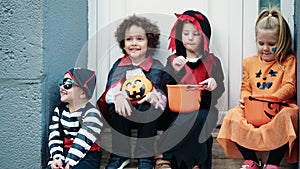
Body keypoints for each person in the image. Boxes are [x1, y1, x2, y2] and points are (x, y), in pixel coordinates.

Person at [217, 7, 298, 169]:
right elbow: (246, 86)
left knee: (289, 116)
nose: (265, 48)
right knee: (232, 116)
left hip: (279, 107)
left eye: (272, 44)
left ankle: (273, 163)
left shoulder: (288, 61)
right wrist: (245, 99)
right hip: (254, 108)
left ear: (282, 42)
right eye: (261, 43)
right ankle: (251, 160)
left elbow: (290, 86)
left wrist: (273, 99)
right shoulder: (249, 62)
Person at [155, 10, 225, 169]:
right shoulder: (173, 60)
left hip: (203, 109)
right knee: (179, 120)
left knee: (200, 119)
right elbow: (163, 87)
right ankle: (174, 160)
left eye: (196, 34)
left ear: (205, 37)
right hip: (177, 109)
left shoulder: (212, 61)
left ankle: (187, 161)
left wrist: (214, 84)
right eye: (186, 34)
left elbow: (220, 89)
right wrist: (174, 71)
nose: (190, 38)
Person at [97, 15, 167, 169]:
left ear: (149, 42)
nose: (134, 43)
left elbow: (162, 94)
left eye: (140, 39)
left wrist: (154, 97)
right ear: (123, 43)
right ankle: (119, 154)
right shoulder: (119, 65)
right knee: (115, 105)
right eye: (129, 39)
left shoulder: (156, 66)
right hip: (124, 115)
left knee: (150, 106)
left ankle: (145, 156)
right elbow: (109, 91)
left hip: (148, 117)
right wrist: (118, 96)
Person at [47, 67, 103, 169]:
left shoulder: (92, 113)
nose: (62, 87)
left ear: (82, 93)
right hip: (64, 151)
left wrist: (70, 162)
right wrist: (56, 158)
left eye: (68, 84)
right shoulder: (59, 111)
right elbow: (55, 136)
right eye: (62, 83)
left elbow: (83, 140)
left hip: (87, 154)